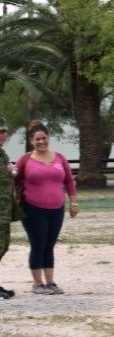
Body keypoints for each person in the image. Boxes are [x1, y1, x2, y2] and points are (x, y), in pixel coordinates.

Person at [16, 121, 78, 295]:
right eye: (37, 139)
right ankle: (38, 284)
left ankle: (50, 282)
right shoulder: (25, 160)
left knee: (49, 245)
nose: (41, 142)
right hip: (32, 209)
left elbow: (68, 181)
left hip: (56, 209)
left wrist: (73, 202)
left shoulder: (59, 158)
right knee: (38, 244)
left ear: (48, 138)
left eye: (44, 138)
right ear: (31, 141)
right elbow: (14, 181)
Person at [0, 118, 16, 299]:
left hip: (4, 211)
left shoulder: (2, 155)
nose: (1, 135)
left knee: (3, 247)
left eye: (3, 132)